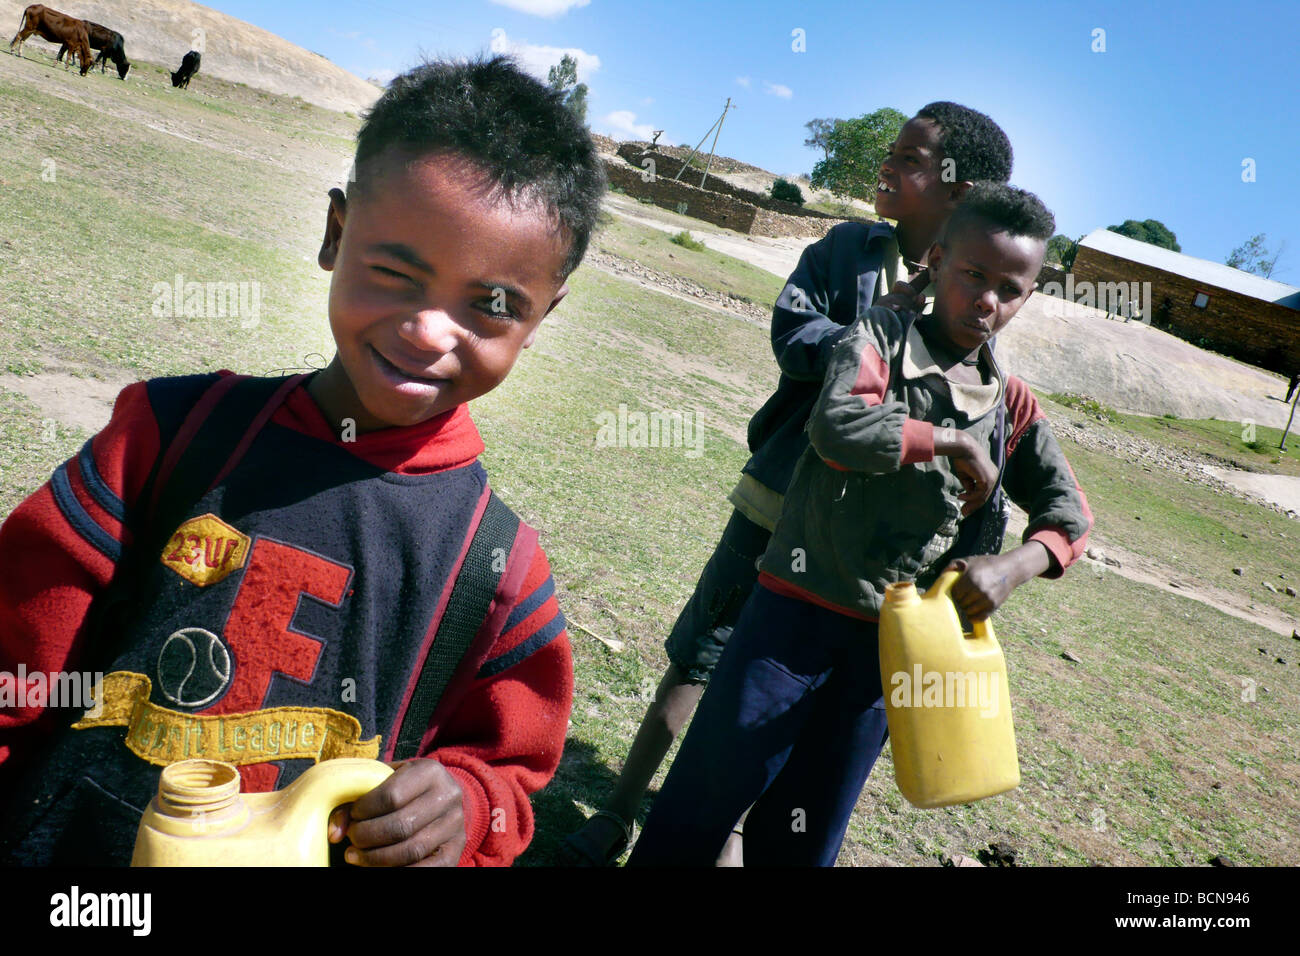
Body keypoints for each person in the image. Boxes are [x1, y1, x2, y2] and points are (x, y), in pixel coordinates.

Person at [0, 54, 605, 867]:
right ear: (334, 234)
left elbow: (506, 772)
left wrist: (461, 804)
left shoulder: (496, 568)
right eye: (395, 273)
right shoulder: (165, 437)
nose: (429, 331)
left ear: (540, 317)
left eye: (492, 306)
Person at [562, 103, 1016, 865]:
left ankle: (732, 837)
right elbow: (791, 335)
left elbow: (981, 406)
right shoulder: (846, 250)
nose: (886, 166)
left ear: (954, 187)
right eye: (892, 152)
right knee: (704, 647)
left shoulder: (974, 283)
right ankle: (618, 807)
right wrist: (871, 328)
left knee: (792, 694)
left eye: (908, 158)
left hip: (865, 546)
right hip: (779, 498)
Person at [627, 183, 1093, 866]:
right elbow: (838, 426)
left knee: (805, 831)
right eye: (972, 275)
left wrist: (1013, 566)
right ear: (936, 260)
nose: (988, 301)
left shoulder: (1011, 407)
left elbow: (1071, 517)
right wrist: (951, 443)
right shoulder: (879, 335)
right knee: (697, 810)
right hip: (785, 624)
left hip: (891, 655)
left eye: (1010, 288)